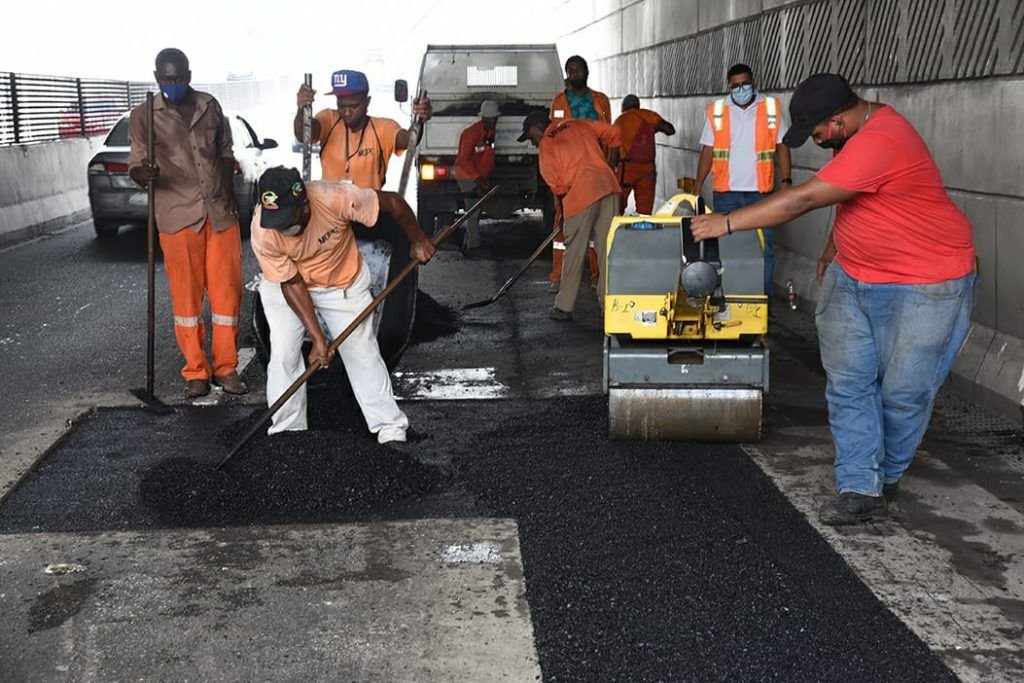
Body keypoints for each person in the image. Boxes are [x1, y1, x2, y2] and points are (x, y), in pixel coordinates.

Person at [691, 74, 977, 526]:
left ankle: (886, 474)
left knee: (904, 393)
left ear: (839, 120)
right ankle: (860, 485)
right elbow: (855, 200)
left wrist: (724, 223)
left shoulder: (884, 139)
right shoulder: (853, 136)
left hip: (925, 283)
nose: (816, 140)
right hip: (853, 275)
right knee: (849, 383)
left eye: (818, 132)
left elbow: (802, 200)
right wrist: (833, 247)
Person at [249, 167, 436, 442]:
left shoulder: (337, 197)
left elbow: (395, 204)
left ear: (304, 205)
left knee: (361, 350)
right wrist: (318, 339)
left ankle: (389, 426)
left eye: (287, 219)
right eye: (276, 221)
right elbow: (292, 284)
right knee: (284, 353)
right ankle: (287, 433)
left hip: (341, 282)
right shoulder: (263, 230)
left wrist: (418, 239)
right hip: (288, 286)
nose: (282, 228)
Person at [128, 47, 247, 399]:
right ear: (157, 78)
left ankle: (226, 368)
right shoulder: (144, 116)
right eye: (167, 79)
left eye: (179, 78)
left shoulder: (210, 106)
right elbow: (136, 164)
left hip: (220, 213)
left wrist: (229, 189)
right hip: (178, 216)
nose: (173, 83)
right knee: (186, 300)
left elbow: (225, 151)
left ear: (189, 76)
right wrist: (144, 174)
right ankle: (196, 371)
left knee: (227, 295)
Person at [694, 63, 792, 297]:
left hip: (761, 194)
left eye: (745, 84)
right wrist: (697, 186)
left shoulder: (771, 108)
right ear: (729, 86)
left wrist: (786, 181)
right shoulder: (717, 111)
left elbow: (782, 146)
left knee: (763, 251)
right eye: (735, 86)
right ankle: (730, 302)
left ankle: (762, 303)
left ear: (753, 82)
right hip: (726, 195)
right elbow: (707, 151)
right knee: (729, 251)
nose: (741, 89)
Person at [519, 111, 621, 321]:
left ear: (537, 127)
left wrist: (564, 213)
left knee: (574, 252)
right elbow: (615, 133)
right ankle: (610, 306)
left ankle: (564, 307)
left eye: (530, 137)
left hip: (581, 193)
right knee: (608, 251)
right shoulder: (579, 124)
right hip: (608, 186)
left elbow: (557, 185)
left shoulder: (547, 142)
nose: (533, 143)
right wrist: (609, 165)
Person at [294, 70, 431, 188]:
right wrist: (302, 108)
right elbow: (303, 135)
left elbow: (408, 140)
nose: (347, 112)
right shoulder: (329, 119)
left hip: (368, 209)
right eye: (341, 106)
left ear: (367, 101)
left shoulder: (383, 128)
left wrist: (419, 120)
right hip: (330, 209)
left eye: (354, 106)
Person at [547, 55, 610, 291]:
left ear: (587, 72)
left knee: (596, 227)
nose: (574, 74)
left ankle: (597, 276)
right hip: (568, 173)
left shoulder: (601, 101)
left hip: (595, 172)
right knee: (563, 226)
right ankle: (558, 276)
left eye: (578, 70)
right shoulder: (559, 101)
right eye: (570, 70)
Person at [613, 95, 676, 214]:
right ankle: (643, 225)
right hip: (647, 170)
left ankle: (617, 224)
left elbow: (613, 148)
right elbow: (670, 130)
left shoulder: (620, 120)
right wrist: (651, 129)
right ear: (638, 106)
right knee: (645, 212)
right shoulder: (648, 116)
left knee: (616, 207)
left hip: (626, 170)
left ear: (623, 107)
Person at [454, 100, 499, 254]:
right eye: (491, 119)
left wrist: (485, 176)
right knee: (473, 209)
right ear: (483, 118)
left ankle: (468, 243)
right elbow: (463, 160)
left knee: (476, 210)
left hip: (480, 176)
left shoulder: (491, 132)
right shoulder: (471, 133)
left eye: (495, 119)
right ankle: (474, 245)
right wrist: (477, 179)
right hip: (467, 175)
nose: (494, 122)